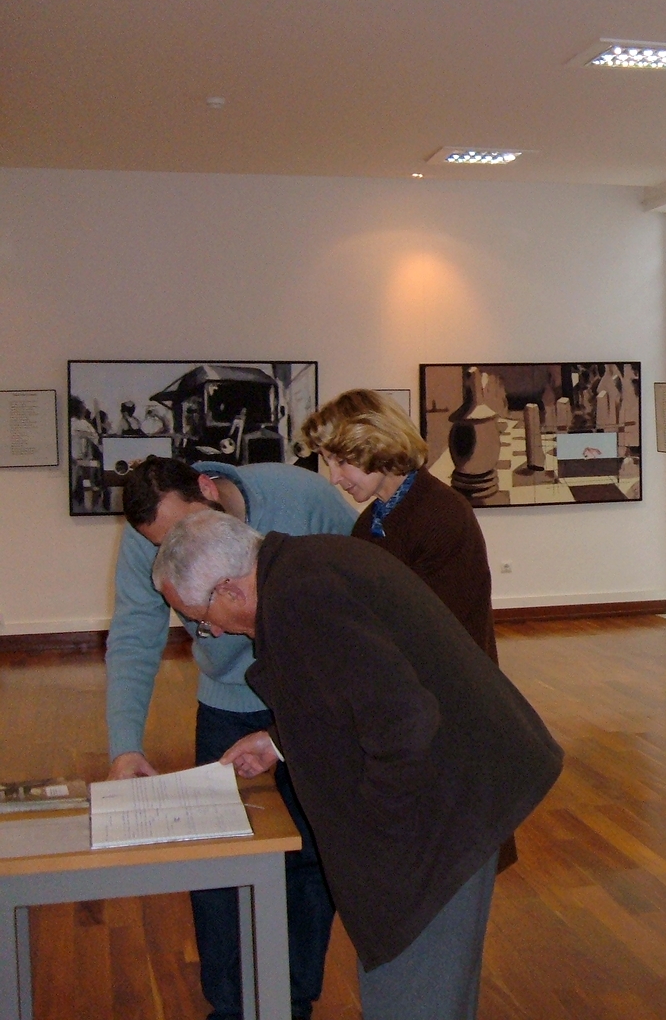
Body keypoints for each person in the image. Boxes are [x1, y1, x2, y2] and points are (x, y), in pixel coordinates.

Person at [152, 512, 564, 1020]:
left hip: (443, 810)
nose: (208, 630)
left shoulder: (302, 599)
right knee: (430, 991)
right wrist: (279, 742)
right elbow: (353, 690)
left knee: (410, 996)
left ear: (231, 590)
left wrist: (381, 840)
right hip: (453, 788)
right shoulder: (302, 567)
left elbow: (404, 722)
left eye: (200, 618)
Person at [106, 455, 356, 1020]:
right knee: (217, 861)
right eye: (162, 544)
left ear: (206, 488)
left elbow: (360, 592)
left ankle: (290, 1001)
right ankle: (228, 1005)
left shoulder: (303, 498)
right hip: (228, 703)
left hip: (314, 702)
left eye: (183, 532)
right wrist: (126, 746)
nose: (175, 551)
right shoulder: (142, 537)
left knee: (311, 860)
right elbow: (134, 636)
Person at [299, 388, 497, 662]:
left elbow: (435, 631)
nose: (334, 477)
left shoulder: (442, 514)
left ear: (377, 444)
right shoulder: (369, 522)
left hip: (453, 687)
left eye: (342, 461)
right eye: (328, 461)